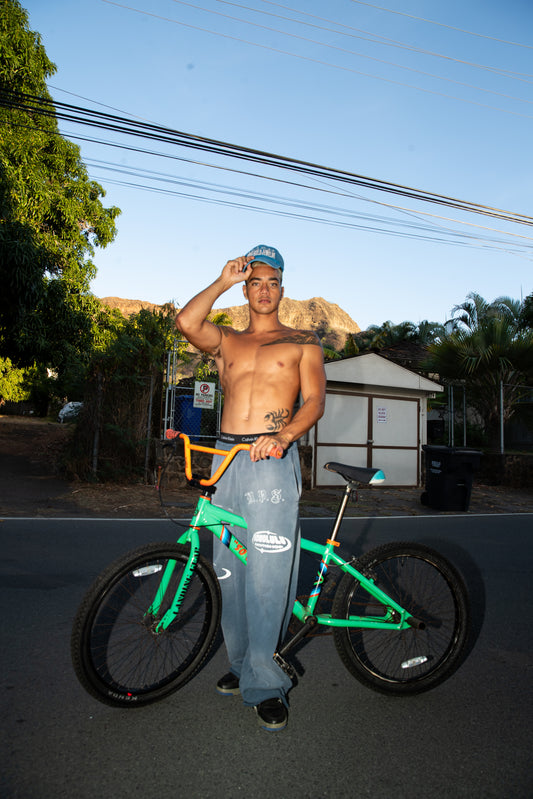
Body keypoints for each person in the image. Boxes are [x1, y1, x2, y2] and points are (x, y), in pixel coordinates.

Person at [175, 244, 326, 730]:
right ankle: (242, 665)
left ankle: (266, 680)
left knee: (268, 571)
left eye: (273, 282)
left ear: (283, 288)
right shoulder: (227, 342)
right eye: (255, 281)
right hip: (226, 460)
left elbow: (315, 402)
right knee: (229, 570)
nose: (264, 289)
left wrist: (282, 436)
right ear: (246, 288)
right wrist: (220, 280)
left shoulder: (303, 342)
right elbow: (186, 322)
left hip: (271, 458)